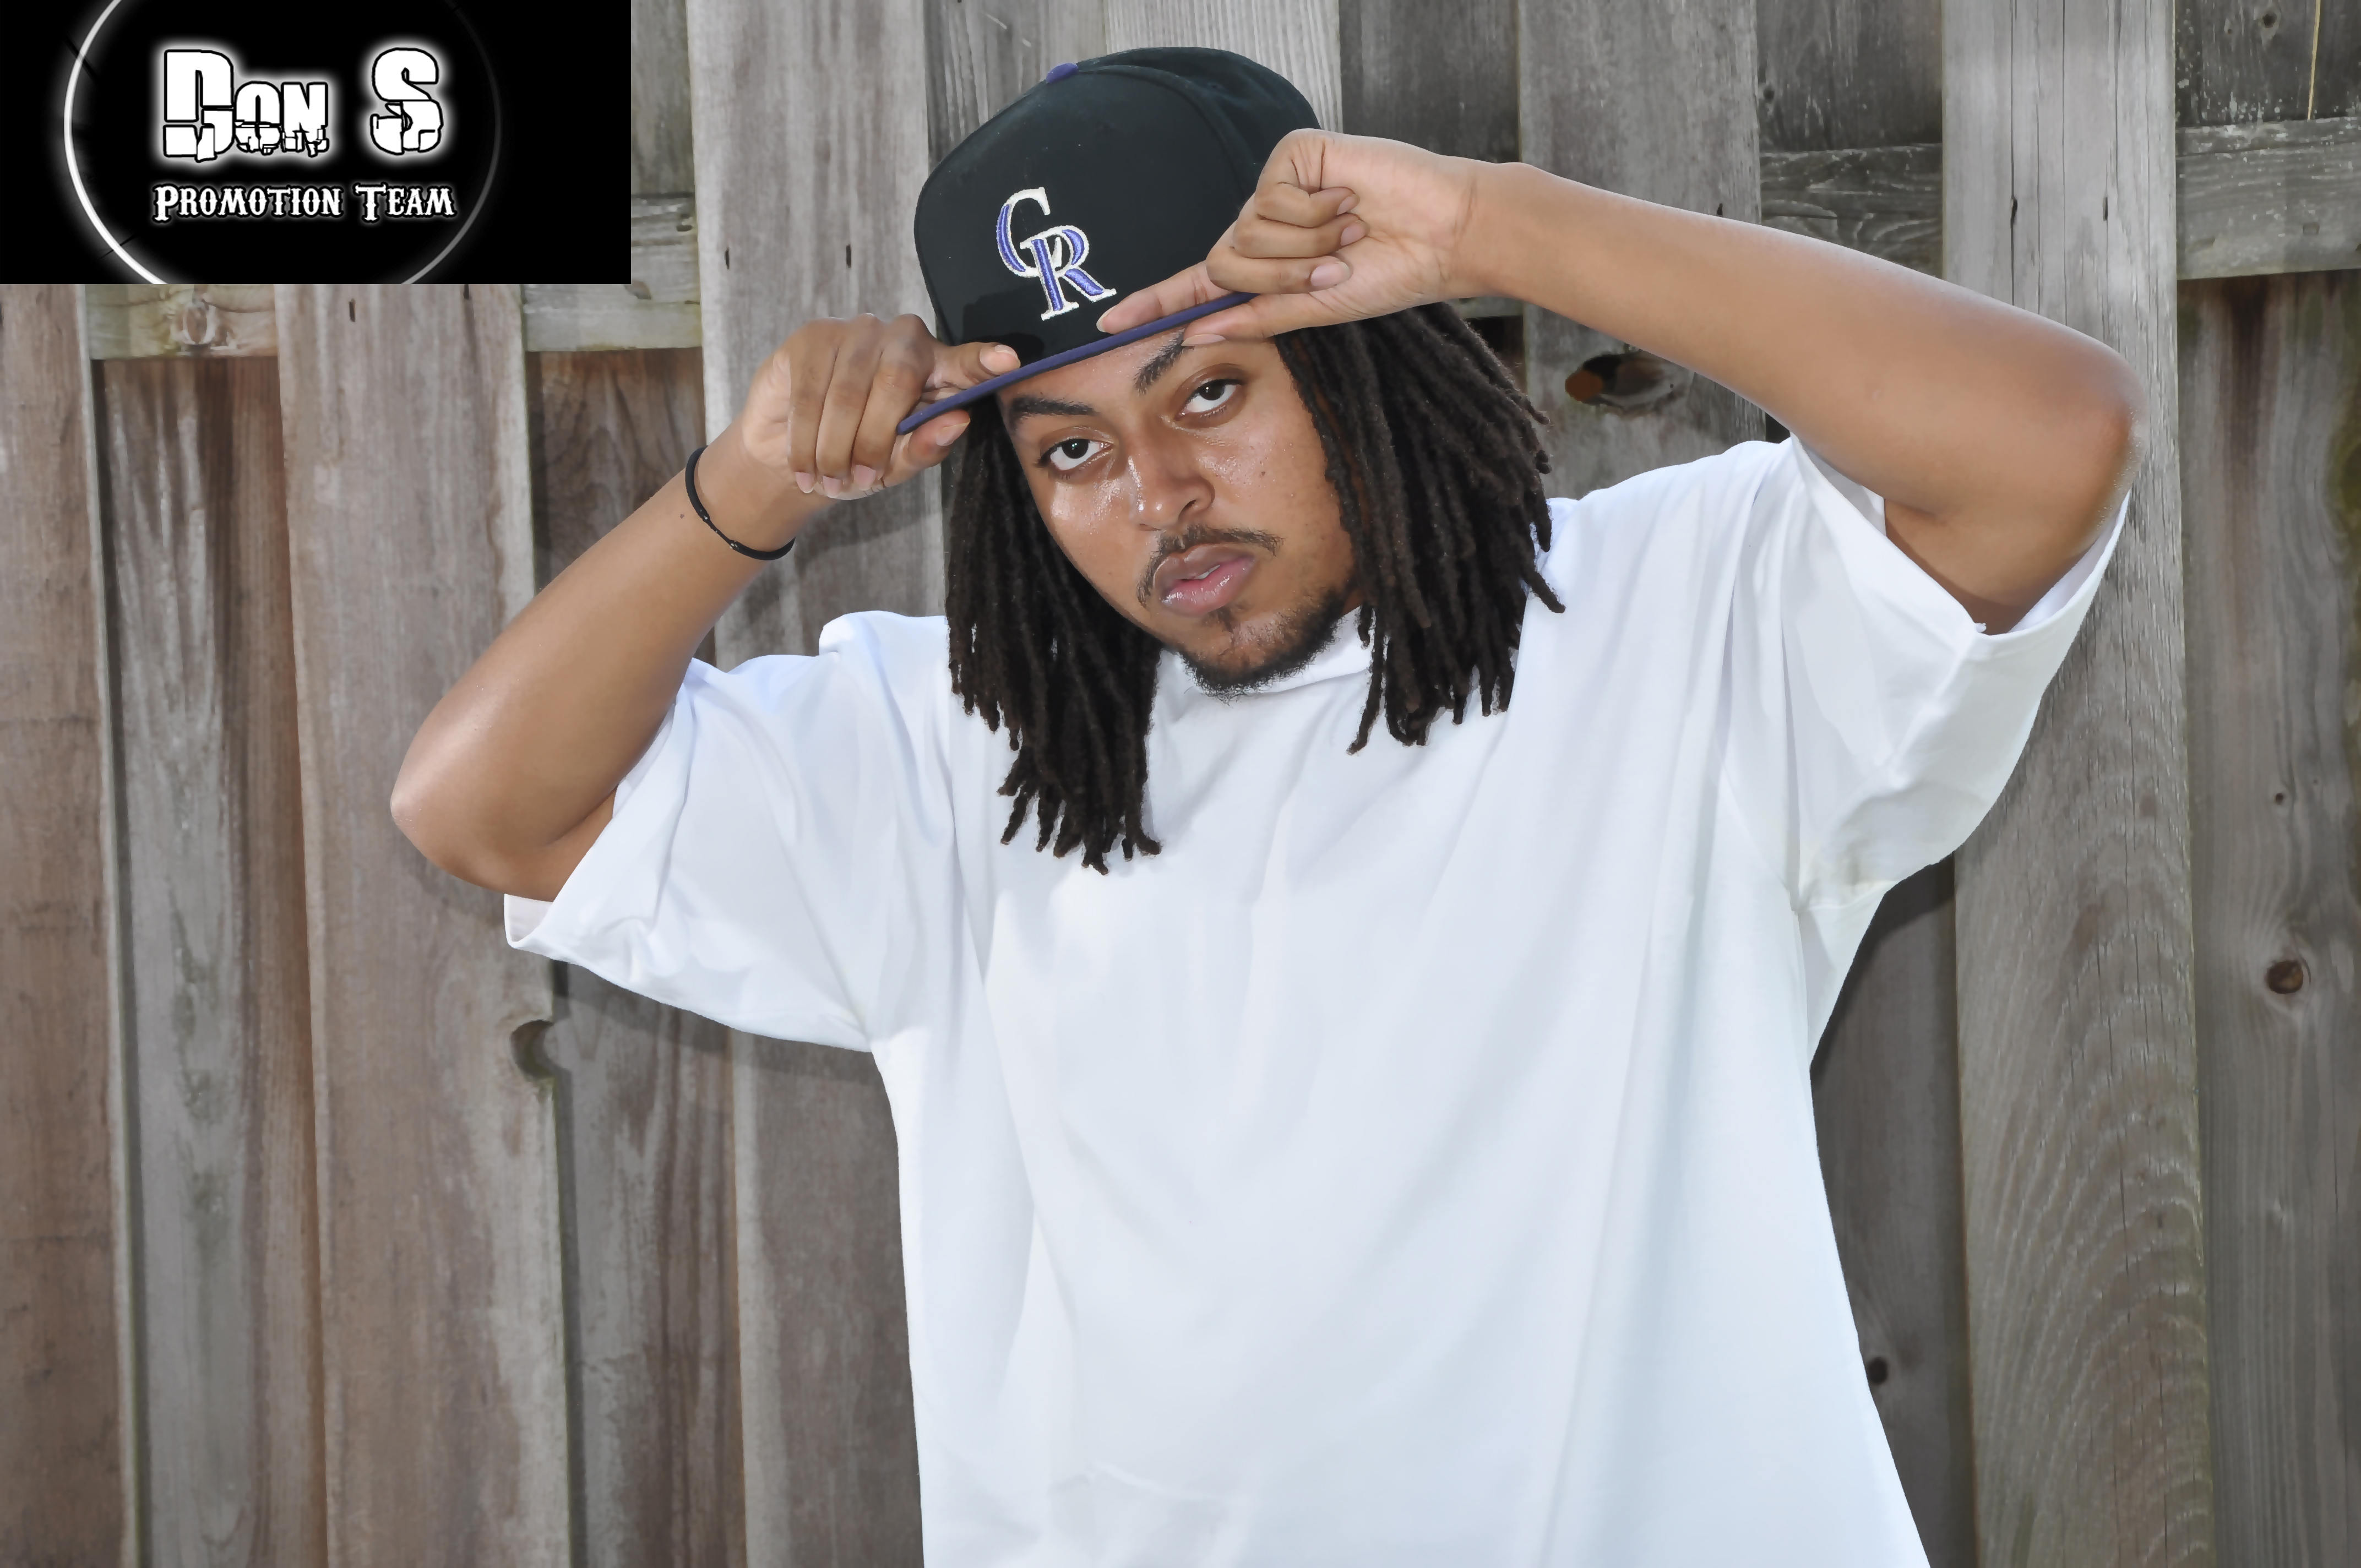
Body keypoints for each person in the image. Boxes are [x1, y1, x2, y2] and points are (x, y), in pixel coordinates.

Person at [394, 48, 2134, 1568]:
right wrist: (750, 484)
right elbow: (486, 807)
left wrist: (1495, 225)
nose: (1156, 492)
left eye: (1209, 389)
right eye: (1069, 448)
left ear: (1358, 351)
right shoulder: (961, 750)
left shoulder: (1678, 626)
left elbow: (2052, 438)